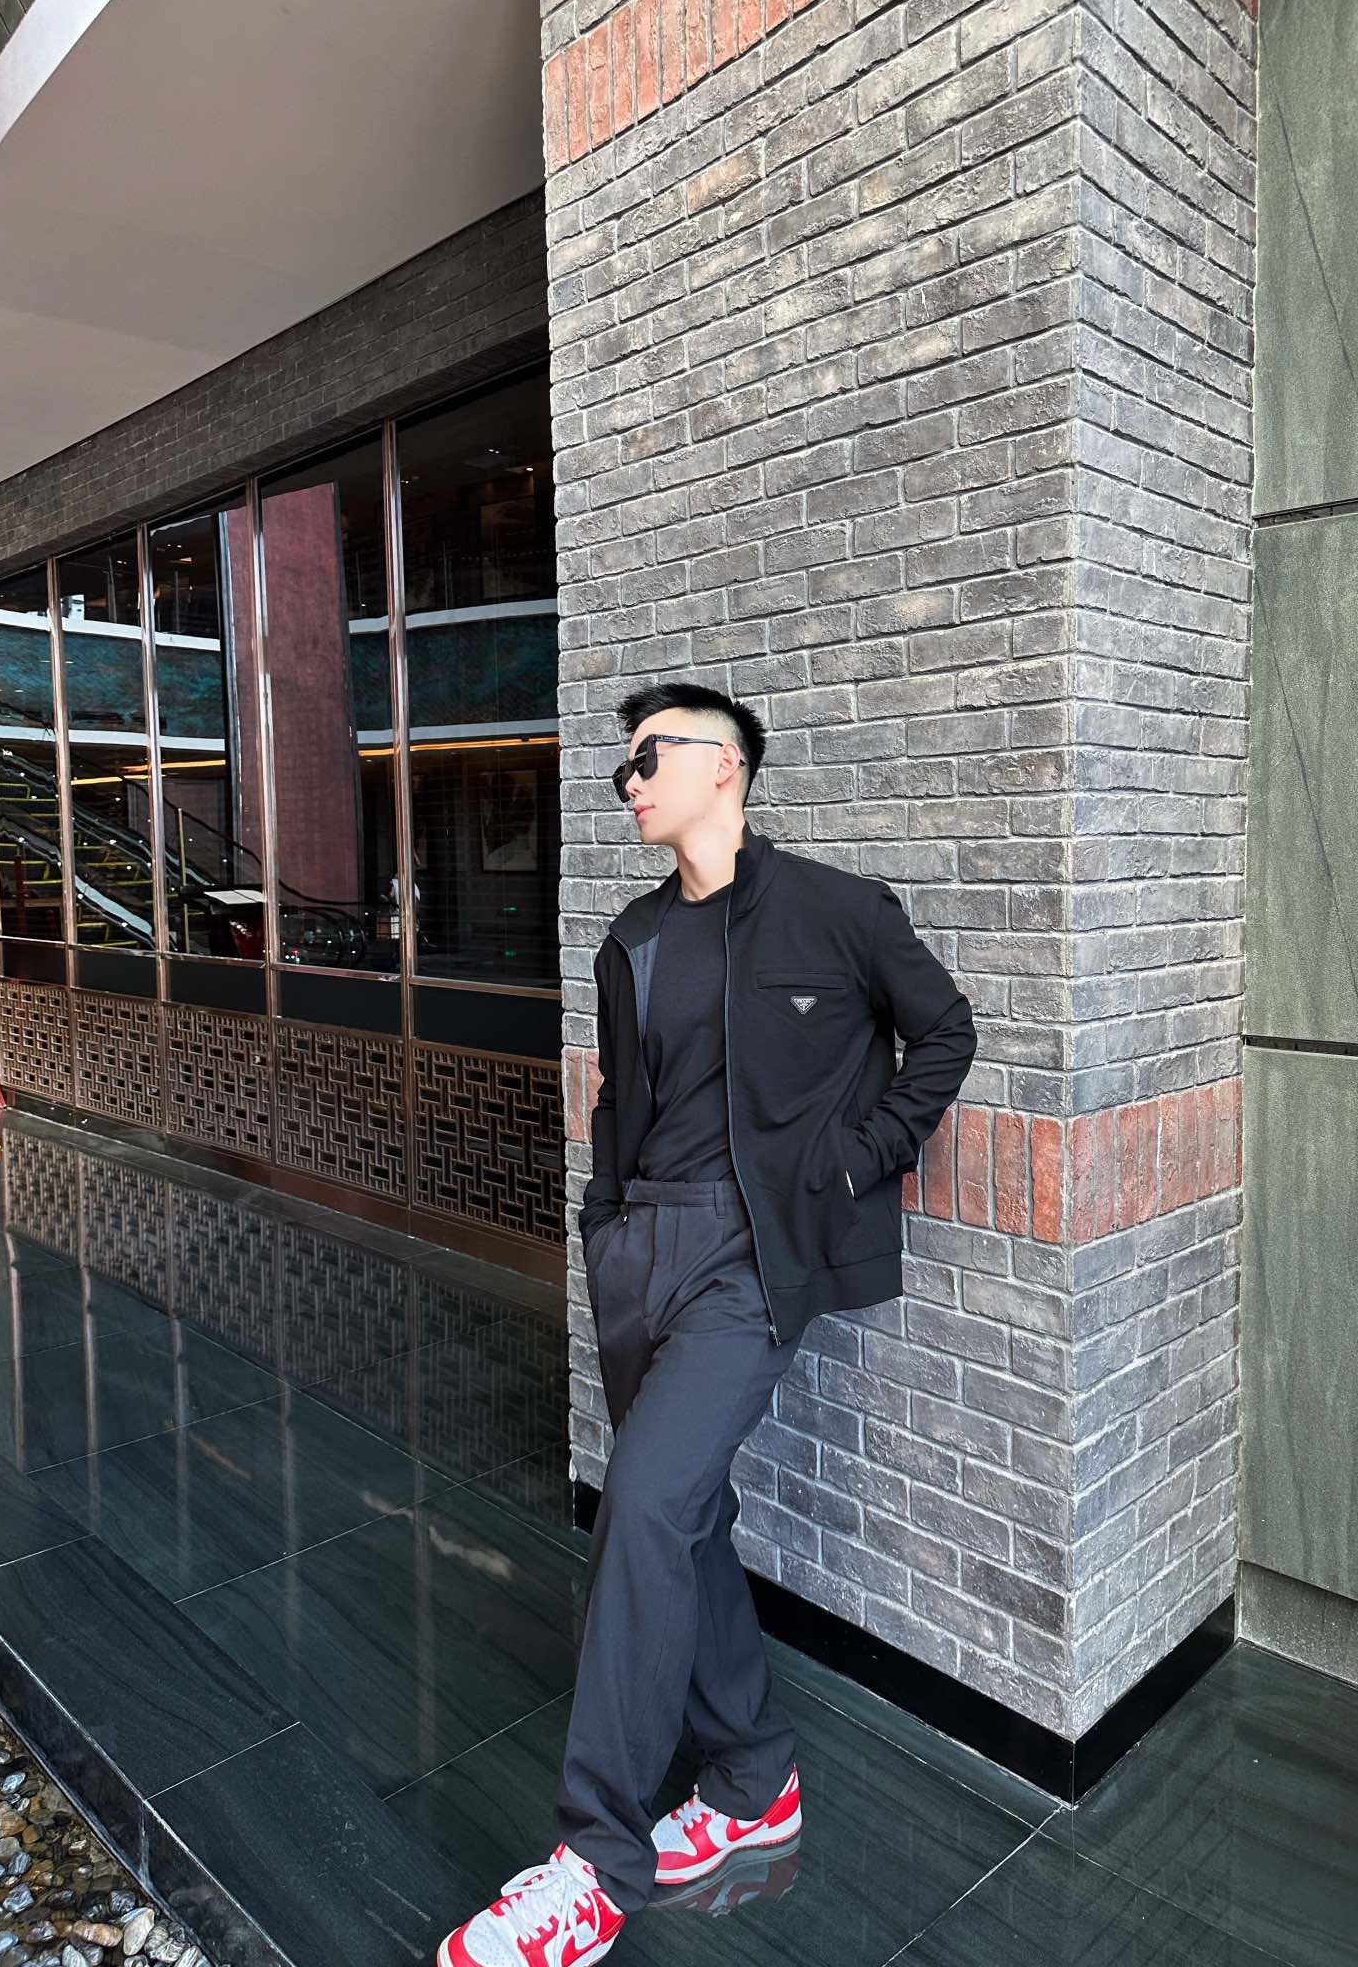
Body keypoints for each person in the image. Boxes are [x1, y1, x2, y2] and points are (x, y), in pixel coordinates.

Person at [438, 682, 978, 1967]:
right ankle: (753, 1780)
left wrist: (859, 1159)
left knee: (642, 1503)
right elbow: (623, 1101)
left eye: (647, 758)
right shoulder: (632, 936)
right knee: (681, 1514)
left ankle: (595, 1864)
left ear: (724, 767)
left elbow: (945, 1032)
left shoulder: (835, 911)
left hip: (753, 1257)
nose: (627, 782)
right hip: (644, 1250)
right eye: (623, 765)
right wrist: (605, 1221)